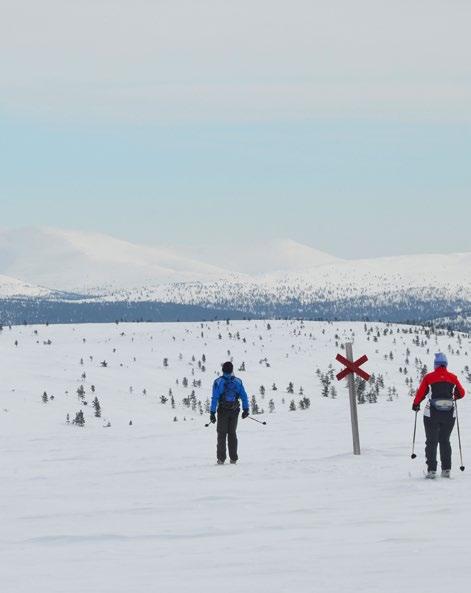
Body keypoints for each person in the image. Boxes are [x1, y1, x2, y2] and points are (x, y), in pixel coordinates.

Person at [412, 352, 465, 479]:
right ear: (446, 365)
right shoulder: (453, 377)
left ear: (435, 365)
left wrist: (416, 404)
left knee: (431, 441)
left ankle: (431, 470)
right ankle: (446, 470)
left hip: (432, 414)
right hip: (449, 414)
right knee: (445, 440)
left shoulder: (428, 377)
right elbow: (461, 393)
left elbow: (421, 394)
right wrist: (454, 397)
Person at [209, 361, 250, 465]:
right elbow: (244, 396)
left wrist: (212, 413)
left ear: (223, 370)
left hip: (222, 411)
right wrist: (246, 410)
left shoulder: (218, 382)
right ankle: (233, 459)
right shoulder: (238, 381)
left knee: (221, 435)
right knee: (232, 434)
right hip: (234, 411)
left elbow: (215, 398)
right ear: (232, 370)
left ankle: (221, 459)